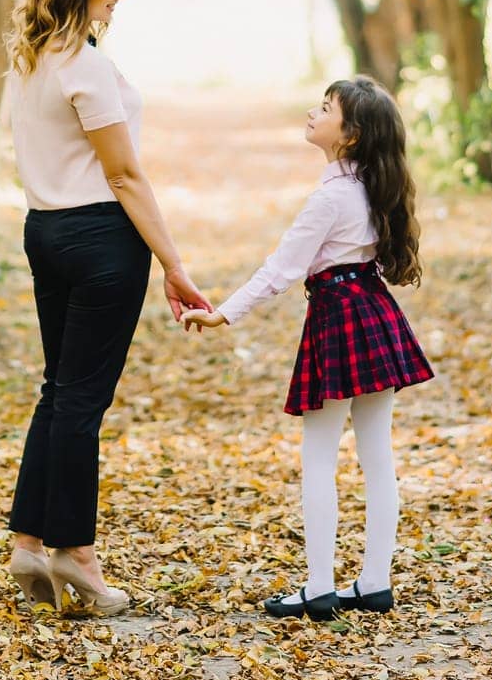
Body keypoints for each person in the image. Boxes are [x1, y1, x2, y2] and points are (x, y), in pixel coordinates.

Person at [3, 0, 211, 616]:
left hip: (44, 231)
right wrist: (174, 267)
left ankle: (30, 540)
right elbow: (125, 176)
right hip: (99, 239)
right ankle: (77, 556)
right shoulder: (85, 68)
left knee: (57, 389)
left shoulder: (32, 56)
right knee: (82, 402)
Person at [182, 75, 433, 622]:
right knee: (376, 455)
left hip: (339, 317)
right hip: (373, 310)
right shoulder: (374, 185)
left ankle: (320, 586)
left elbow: (283, 269)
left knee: (319, 456)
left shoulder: (332, 196)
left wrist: (225, 312)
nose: (313, 113)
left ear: (351, 134)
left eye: (326, 109)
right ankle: (374, 582)